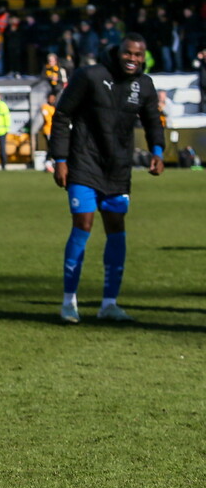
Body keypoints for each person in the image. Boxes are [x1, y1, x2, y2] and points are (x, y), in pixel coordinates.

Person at [49, 33, 164, 324]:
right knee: (83, 224)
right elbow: (62, 115)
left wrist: (158, 151)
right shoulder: (90, 75)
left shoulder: (145, 85)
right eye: (129, 53)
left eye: (139, 55)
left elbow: (152, 120)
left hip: (118, 169)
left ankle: (109, 304)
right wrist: (60, 160)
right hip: (84, 164)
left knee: (116, 227)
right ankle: (68, 302)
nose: (133, 59)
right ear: (119, 52)